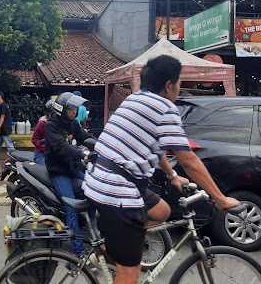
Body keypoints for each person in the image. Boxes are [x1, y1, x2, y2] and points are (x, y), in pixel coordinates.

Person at [83, 55, 241, 284]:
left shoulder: (135, 98)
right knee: (130, 273)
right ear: (169, 85)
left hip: (100, 180)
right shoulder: (164, 108)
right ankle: (122, 253)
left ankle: (116, 246)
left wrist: (172, 175)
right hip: (118, 191)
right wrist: (220, 199)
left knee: (162, 211)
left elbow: (155, 146)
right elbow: (188, 159)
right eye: (179, 83)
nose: (179, 88)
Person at [45, 92, 93, 257]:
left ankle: (93, 235)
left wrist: (100, 144)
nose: (74, 111)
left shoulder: (73, 124)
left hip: (74, 167)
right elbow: (61, 147)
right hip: (59, 171)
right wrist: (82, 154)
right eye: (71, 109)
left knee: (95, 191)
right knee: (71, 206)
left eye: (75, 108)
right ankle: (79, 249)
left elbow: (84, 137)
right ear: (61, 109)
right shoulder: (51, 126)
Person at [31, 100, 53, 165]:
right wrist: (44, 147)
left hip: (53, 155)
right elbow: (34, 139)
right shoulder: (42, 123)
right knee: (45, 170)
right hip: (41, 154)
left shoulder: (57, 123)